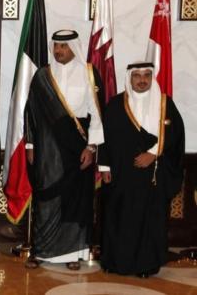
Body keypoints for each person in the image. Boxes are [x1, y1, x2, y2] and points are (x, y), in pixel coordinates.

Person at [24, 30, 104, 270]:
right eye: (56, 46)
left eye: (63, 46)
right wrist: (31, 144)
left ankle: (71, 253)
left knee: (74, 201)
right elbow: (31, 112)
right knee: (45, 198)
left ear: (73, 47)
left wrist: (91, 147)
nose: (58, 51)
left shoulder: (89, 73)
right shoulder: (42, 76)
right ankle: (41, 251)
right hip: (47, 148)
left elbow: (97, 113)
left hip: (77, 147)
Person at [99, 62, 184, 277]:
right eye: (137, 75)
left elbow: (175, 134)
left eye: (146, 75)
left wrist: (153, 153)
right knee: (119, 217)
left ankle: (146, 265)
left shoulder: (164, 103)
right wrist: (105, 166)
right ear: (130, 78)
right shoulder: (116, 104)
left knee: (149, 219)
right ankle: (114, 261)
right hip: (121, 173)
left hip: (152, 174)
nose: (142, 80)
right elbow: (105, 137)